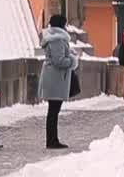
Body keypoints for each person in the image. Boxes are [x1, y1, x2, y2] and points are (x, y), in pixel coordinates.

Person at [38, 15, 78, 149]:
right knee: (53, 111)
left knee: (53, 111)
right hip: (55, 78)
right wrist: (72, 60)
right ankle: (52, 140)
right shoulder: (58, 39)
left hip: (53, 77)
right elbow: (59, 61)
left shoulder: (53, 37)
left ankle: (52, 139)